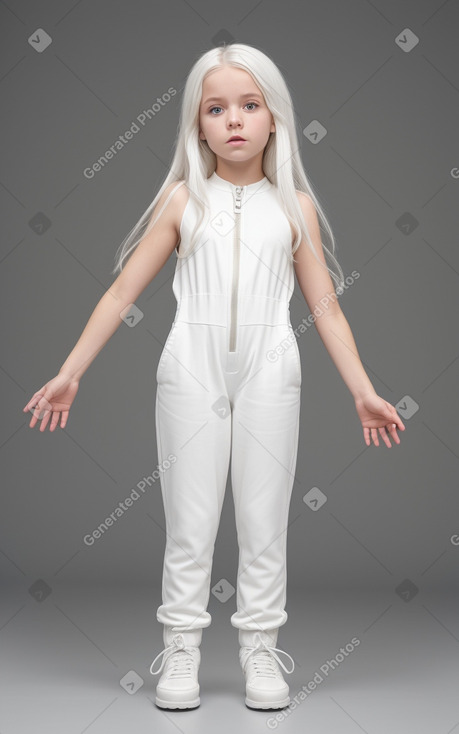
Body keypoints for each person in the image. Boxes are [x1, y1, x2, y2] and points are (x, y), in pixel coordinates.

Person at [23, 42, 405, 712]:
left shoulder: (294, 208)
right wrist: (69, 372)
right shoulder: (181, 200)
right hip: (189, 373)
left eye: (249, 105)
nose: (234, 119)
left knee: (264, 520)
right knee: (189, 522)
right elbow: (120, 294)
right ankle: (180, 651)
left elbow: (324, 307)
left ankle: (260, 648)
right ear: (196, 125)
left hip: (270, 371)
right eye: (216, 108)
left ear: (274, 119)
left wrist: (362, 390)